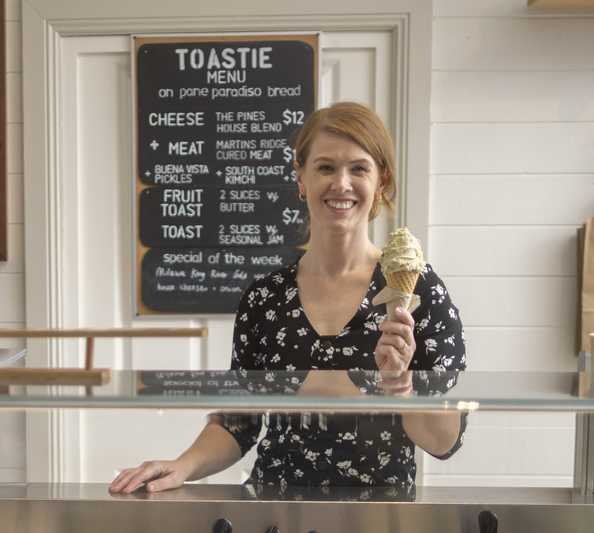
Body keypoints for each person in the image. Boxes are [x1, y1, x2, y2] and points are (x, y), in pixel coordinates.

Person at [110, 102, 467, 493]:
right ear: (300, 178)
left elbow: (445, 443)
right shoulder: (265, 297)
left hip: (378, 518)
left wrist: (402, 387)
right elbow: (240, 422)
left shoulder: (419, 292)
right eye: (325, 167)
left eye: (358, 169)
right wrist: (181, 466)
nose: (341, 183)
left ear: (381, 180)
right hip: (275, 513)